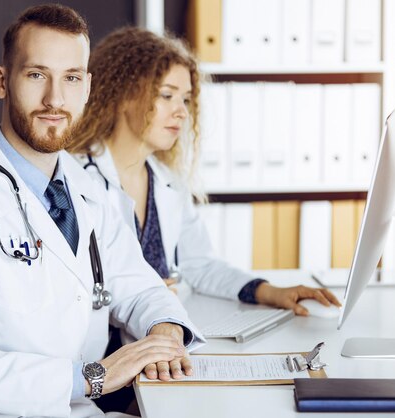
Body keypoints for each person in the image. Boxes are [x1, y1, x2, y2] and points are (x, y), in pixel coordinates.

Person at [0, 6, 205, 418]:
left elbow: (140, 285)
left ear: (88, 86)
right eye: (37, 74)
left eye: (71, 78)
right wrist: (92, 376)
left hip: (76, 408)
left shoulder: (90, 191)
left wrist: (164, 333)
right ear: (2, 82)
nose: (55, 99)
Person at [69, 27, 341, 319]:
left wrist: (271, 292)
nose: (182, 112)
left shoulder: (167, 181)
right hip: (108, 352)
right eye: (166, 95)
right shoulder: (76, 179)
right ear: (123, 95)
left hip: (165, 337)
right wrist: (137, 296)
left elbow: (199, 264)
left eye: (185, 99)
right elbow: (69, 287)